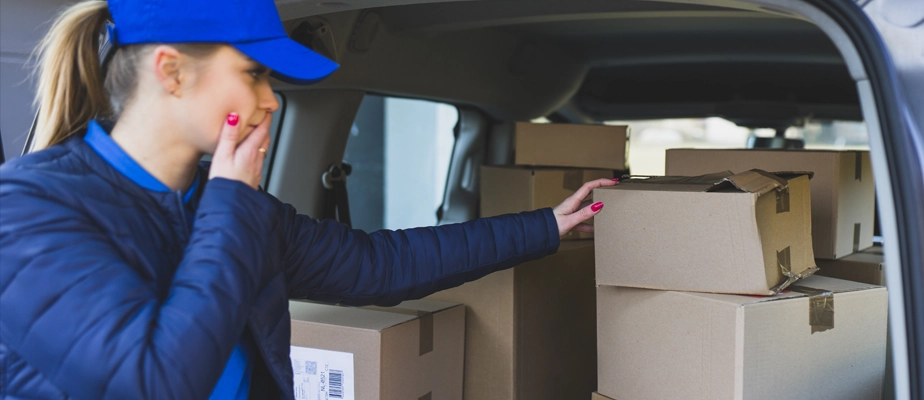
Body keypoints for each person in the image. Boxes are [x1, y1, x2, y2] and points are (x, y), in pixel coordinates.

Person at [0, 0, 616, 398]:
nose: (270, 100)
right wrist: (232, 202)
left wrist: (544, 226)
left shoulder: (228, 205)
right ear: (171, 72)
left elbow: (379, 266)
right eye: (253, 73)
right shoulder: (30, 206)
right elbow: (157, 383)